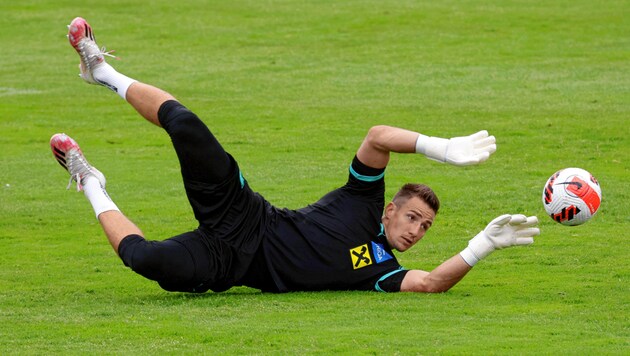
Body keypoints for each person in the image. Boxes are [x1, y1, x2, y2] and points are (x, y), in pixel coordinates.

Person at [52, 17, 540, 294]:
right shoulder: (363, 200)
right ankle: (102, 73)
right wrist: (441, 149)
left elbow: (433, 282)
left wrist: (484, 244)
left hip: (231, 264)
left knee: (148, 261)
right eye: (413, 217)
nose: (415, 231)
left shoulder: (383, 270)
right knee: (187, 127)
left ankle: (91, 180)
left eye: (425, 227)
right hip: (246, 215)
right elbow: (376, 137)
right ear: (390, 208)